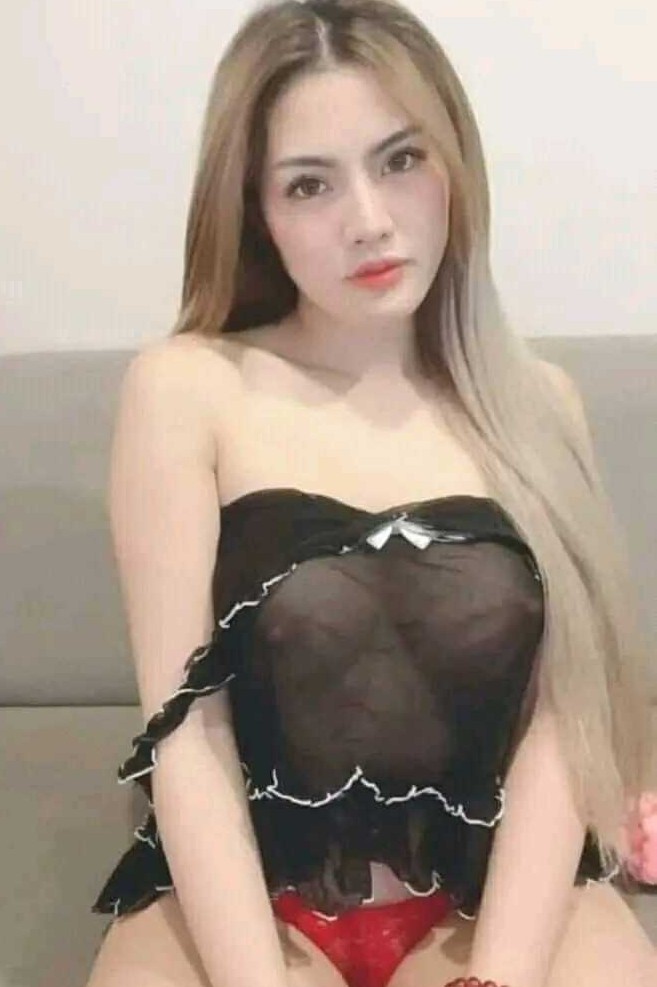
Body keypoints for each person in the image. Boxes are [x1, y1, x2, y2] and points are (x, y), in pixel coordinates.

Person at [85, 1, 657, 985]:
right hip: (249, 900)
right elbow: (187, 735)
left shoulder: (540, 406)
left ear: (455, 164)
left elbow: (560, 726)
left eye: (401, 160)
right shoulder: (186, 390)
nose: (371, 220)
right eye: (309, 184)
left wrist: (494, 978)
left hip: (491, 899)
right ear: (256, 210)